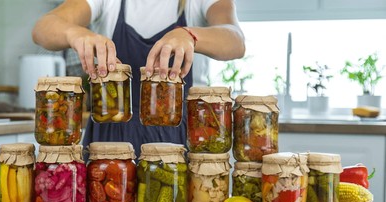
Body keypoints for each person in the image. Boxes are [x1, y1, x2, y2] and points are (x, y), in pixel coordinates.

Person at [32, 0, 246, 159]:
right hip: (110, 136)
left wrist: (190, 35)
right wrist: (74, 33)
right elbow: (43, 28)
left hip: (179, 137)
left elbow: (235, 40)